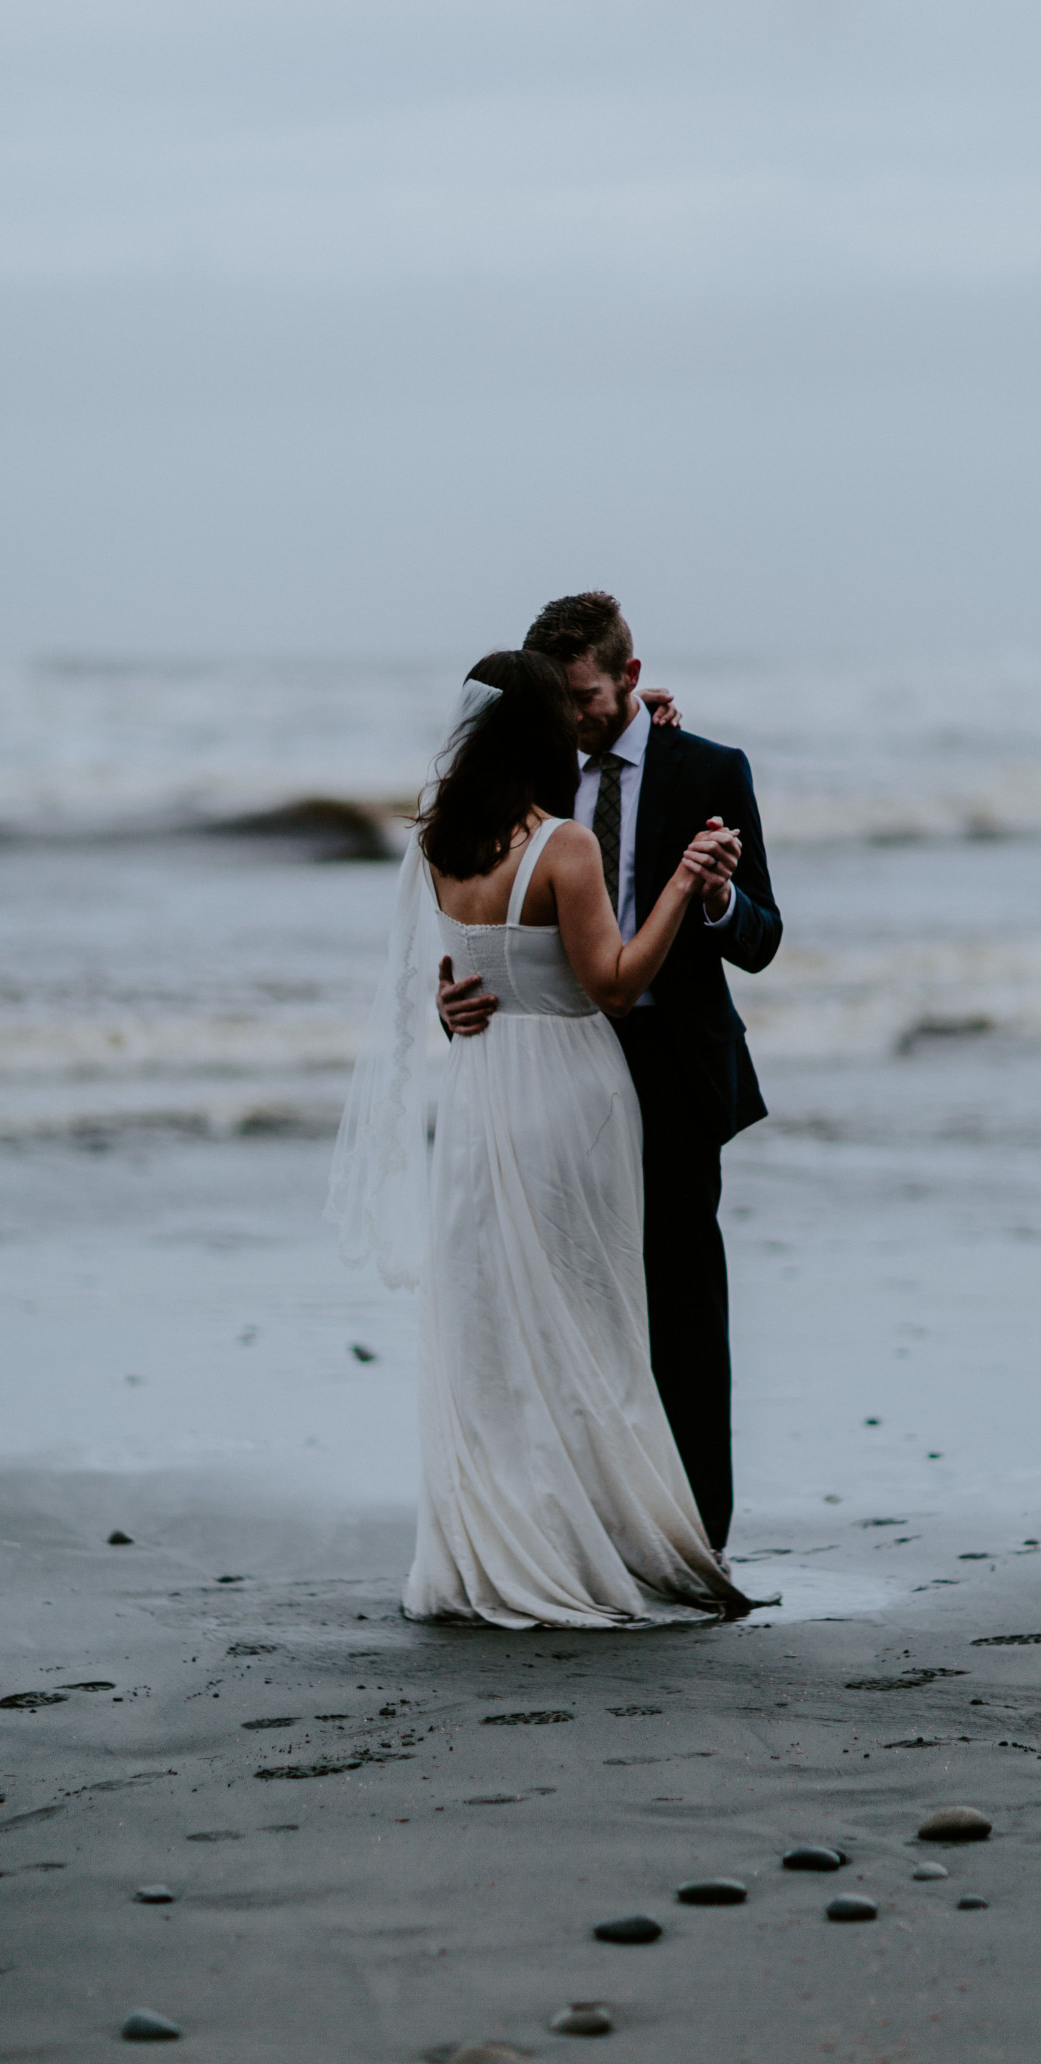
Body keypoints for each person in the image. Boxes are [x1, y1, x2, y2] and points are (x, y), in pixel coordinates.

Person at [330, 649, 748, 1628]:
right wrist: (687, 882)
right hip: (571, 1088)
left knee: (492, 1317)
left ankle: (496, 1535)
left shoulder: (439, 837)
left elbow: (455, 968)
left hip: (479, 1092)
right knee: (590, 1313)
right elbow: (608, 981)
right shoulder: (561, 846)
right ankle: (593, 1536)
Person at [438, 593, 782, 1556]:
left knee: (678, 1307)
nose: (574, 717)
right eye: (560, 700)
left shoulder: (709, 769)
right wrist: (452, 995)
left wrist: (715, 899)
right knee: (569, 1302)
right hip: (554, 1079)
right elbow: (483, 920)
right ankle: (576, 1522)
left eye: (586, 695)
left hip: (673, 1074)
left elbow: (764, 937)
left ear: (631, 679)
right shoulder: (529, 783)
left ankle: (693, 1538)